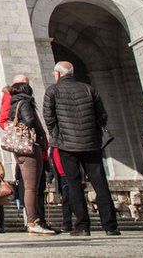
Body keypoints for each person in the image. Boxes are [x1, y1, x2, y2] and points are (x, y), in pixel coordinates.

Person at [43, 61, 119, 236]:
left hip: (66, 145)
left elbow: (49, 117)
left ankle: (83, 226)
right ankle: (110, 226)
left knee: (74, 184)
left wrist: (58, 135)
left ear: (58, 74)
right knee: (100, 184)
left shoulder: (53, 91)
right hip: (91, 143)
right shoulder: (88, 89)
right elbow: (102, 116)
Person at [8, 82, 56, 235]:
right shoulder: (24, 103)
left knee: (30, 187)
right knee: (31, 187)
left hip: (20, 150)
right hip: (29, 147)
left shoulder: (13, 104)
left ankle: (34, 220)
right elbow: (29, 120)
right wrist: (39, 130)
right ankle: (32, 221)